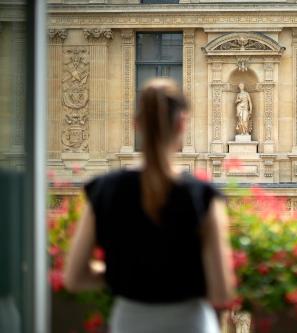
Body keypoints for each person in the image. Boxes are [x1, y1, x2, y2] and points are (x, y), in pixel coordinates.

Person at [64, 78, 235, 333]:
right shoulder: (202, 196)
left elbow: (75, 278)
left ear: (136, 124)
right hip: (190, 323)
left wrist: (120, 272)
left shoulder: (104, 189)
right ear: (181, 124)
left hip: (130, 322)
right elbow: (221, 292)